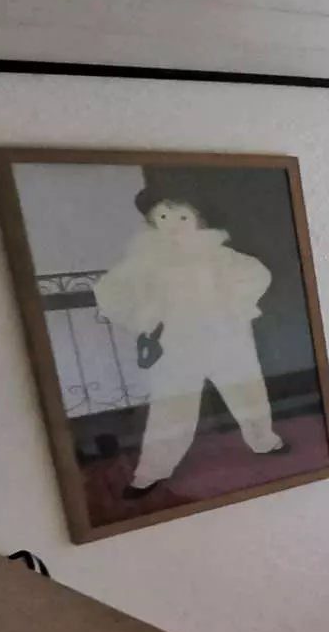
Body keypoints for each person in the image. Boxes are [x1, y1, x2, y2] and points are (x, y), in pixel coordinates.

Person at [94, 190, 285, 496]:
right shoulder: (146, 260)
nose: (174, 224)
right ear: (152, 222)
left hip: (226, 337)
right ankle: (151, 471)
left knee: (247, 391)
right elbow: (111, 290)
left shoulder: (218, 254)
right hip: (176, 343)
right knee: (171, 407)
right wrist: (146, 316)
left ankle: (264, 440)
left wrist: (231, 303)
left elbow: (256, 274)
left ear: (198, 220)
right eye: (163, 217)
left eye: (183, 217)